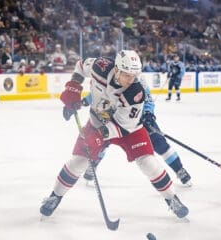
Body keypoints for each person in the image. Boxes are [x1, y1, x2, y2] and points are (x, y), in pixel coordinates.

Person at [40, 50, 189, 220]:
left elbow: (123, 126)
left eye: (134, 75)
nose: (131, 79)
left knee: (148, 162)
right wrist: (74, 87)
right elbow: (80, 67)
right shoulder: (100, 66)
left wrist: (97, 137)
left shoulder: (136, 91)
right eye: (126, 75)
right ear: (116, 69)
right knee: (78, 161)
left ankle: (172, 199)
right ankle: (55, 196)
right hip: (97, 120)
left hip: (128, 129)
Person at [81, 78, 192, 186]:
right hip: (116, 118)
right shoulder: (111, 75)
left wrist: (148, 113)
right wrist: (86, 100)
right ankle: (93, 164)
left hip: (138, 119)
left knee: (159, 143)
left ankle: (179, 169)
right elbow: (100, 92)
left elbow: (147, 98)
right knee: (102, 140)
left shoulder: (138, 79)